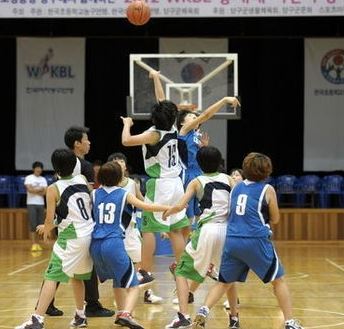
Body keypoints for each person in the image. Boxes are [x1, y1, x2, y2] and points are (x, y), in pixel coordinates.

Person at [192, 152, 304, 329]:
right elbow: (275, 219)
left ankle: (204, 310)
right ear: (267, 171)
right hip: (255, 240)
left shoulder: (236, 187)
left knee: (224, 283)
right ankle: (290, 322)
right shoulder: (268, 190)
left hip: (232, 240)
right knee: (278, 281)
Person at [16, 149, 94, 329]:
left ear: (55, 168)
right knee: (77, 277)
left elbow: (49, 219)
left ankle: (37, 319)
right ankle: (80, 316)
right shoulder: (82, 180)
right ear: (75, 165)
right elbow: (77, 208)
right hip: (88, 233)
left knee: (51, 276)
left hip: (71, 237)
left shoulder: (53, 188)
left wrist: (46, 228)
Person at [121, 101, 190, 304]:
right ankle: (182, 268)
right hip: (177, 183)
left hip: (160, 185)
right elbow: (164, 101)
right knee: (176, 230)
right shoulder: (174, 127)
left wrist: (127, 124)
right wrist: (156, 78)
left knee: (149, 229)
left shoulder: (153, 135)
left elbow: (126, 141)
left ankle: (143, 271)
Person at [163, 146, 238, 329]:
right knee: (227, 276)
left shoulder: (196, 181)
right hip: (227, 230)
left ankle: (183, 316)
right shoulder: (229, 179)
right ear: (220, 162)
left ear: (198, 163)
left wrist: (168, 212)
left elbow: (181, 205)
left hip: (207, 231)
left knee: (180, 271)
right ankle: (234, 319)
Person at [90, 161, 172, 328]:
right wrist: (169, 207)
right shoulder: (123, 193)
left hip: (95, 245)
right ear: (119, 177)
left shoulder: (94, 194)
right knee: (134, 284)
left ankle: (121, 313)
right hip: (113, 242)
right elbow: (146, 206)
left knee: (118, 281)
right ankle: (127, 314)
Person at [64, 126, 114, 317]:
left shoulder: (64, 162)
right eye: (86, 139)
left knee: (60, 263)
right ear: (77, 143)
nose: (89, 142)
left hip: (66, 220)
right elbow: (90, 196)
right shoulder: (83, 166)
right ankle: (92, 304)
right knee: (86, 262)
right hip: (80, 223)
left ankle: (47, 304)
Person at [107, 152, 154, 287]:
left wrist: (158, 208)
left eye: (121, 161)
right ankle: (122, 292)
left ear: (126, 166)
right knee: (119, 265)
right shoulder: (108, 185)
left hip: (131, 229)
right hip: (114, 231)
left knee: (142, 263)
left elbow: (142, 201)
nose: (118, 163)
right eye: (115, 161)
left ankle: (147, 293)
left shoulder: (132, 183)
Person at [24, 161, 47, 252]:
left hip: (41, 204)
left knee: (39, 225)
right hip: (31, 203)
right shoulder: (29, 178)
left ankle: (38, 244)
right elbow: (29, 190)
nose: (39, 169)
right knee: (33, 224)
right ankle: (34, 244)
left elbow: (45, 192)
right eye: (37, 167)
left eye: (40, 168)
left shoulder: (43, 179)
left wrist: (35, 190)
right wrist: (40, 189)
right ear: (34, 169)